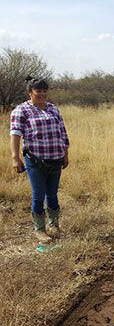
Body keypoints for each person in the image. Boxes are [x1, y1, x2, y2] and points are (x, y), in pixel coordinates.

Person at [10, 76, 70, 243]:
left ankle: (54, 224)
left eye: (44, 91)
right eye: (38, 91)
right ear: (30, 93)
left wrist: (65, 154)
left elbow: (62, 132)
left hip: (56, 159)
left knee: (52, 193)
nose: (42, 94)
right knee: (38, 194)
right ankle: (40, 230)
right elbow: (15, 135)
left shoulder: (53, 109)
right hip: (35, 160)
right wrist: (15, 158)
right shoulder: (22, 110)